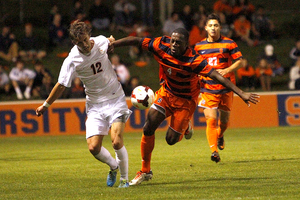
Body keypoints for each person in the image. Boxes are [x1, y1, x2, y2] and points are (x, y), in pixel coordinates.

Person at [110, 27, 259, 185]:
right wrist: (113, 45)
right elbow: (136, 40)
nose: (173, 44)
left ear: (186, 45)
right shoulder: (161, 44)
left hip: (186, 101)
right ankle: (145, 171)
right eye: (173, 40)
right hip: (166, 94)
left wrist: (241, 93)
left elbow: (215, 75)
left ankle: (186, 127)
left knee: (171, 140)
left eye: (178, 42)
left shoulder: (194, 60)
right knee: (148, 126)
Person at [35, 21, 132, 188]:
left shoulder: (100, 41)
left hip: (115, 98)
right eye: (80, 42)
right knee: (94, 148)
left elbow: (110, 40)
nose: (85, 44)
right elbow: (61, 85)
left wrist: (112, 42)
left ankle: (124, 180)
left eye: (86, 39)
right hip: (94, 105)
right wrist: (46, 105)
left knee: (116, 141)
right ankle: (114, 166)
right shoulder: (72, 59)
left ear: (89, 36)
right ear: (74, 42)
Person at [194, 13, 244, 163]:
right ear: (206, 28)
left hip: (226, 88)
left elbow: (240, 61)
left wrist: (227, 70)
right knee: (210, 119)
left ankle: (220, 135)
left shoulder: (229, 43)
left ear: (220, 27)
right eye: (210, 25)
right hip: (207, 89)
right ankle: (214, 151)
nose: (213, 28)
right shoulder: (198, 46)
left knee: (224, 122)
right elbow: (194, 66)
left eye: (216, 25)